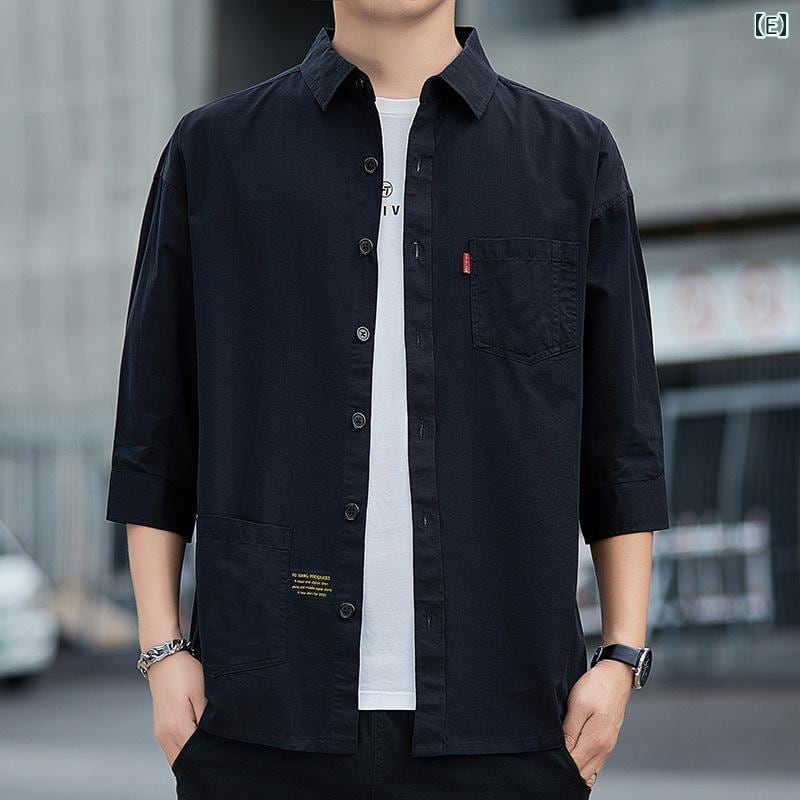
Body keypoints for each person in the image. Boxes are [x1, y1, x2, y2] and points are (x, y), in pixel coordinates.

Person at [106, 1, 670, 797]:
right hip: (259, 716)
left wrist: (620, 656)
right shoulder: (214, 154)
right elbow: (154, 429)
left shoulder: (571, 158)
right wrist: (163, 653)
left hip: (509, 717)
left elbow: (622, 440)